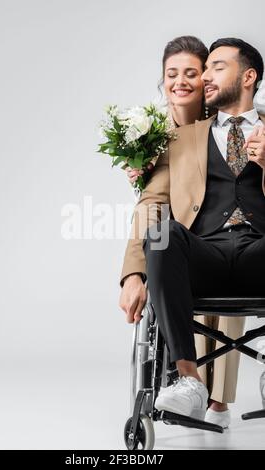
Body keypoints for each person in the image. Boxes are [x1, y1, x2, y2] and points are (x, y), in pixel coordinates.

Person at [119, 37, 265, 424]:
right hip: (207, 255)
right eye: (207, 67)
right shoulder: (180, 140)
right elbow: (151, 204)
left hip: (260, 254)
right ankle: (189, 380)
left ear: (248, 77)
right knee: (161, 231)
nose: (206, 76)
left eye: (217, 67)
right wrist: (133, 273)